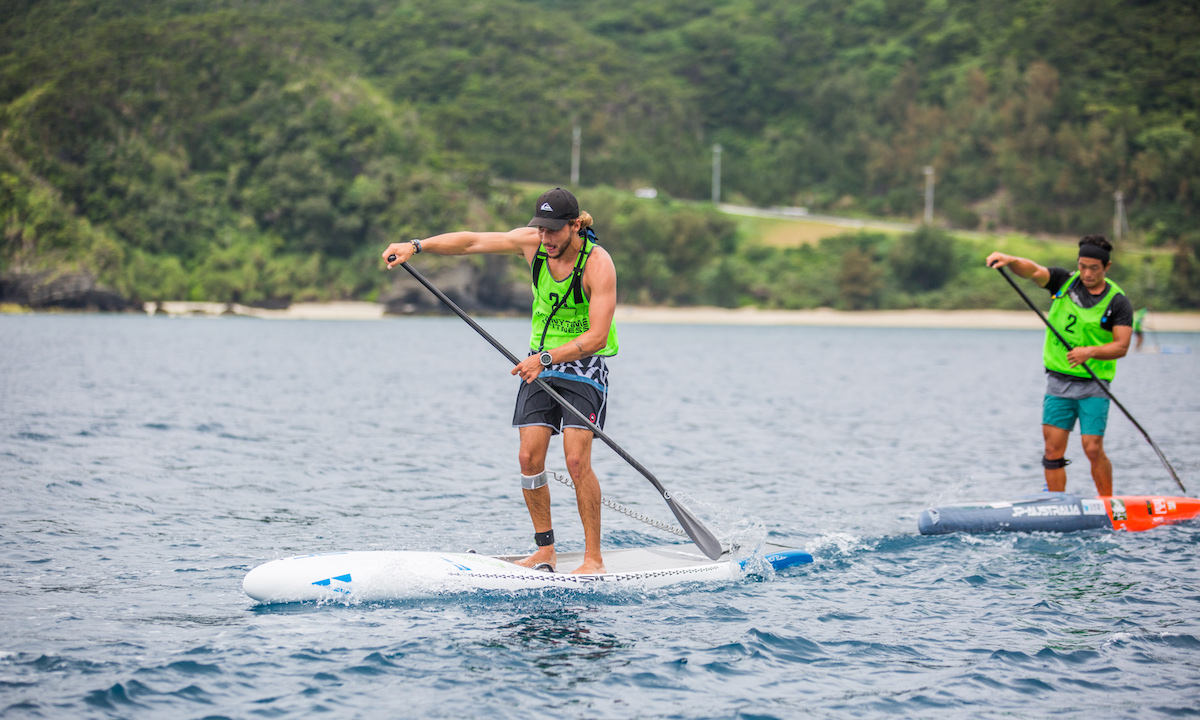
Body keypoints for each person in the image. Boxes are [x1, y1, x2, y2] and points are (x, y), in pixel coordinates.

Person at [382, 188, 618, 574]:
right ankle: (545, 550)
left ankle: (593, 559)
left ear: (575, 226)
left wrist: (545, 359)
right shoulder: (534, 243)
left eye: (554, 232)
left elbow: (596, 336)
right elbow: (471, 242)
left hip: (583, 365)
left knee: (576, 461)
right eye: (541, 230)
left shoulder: (599, 264)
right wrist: (416, 245)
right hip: (538, 363)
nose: (545, 239)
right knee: (528, 457)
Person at [986, 236, 1133, 496]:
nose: (1086, 273)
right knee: (1053, 450)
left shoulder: (1117, 302)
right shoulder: (1062, 283)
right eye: (1082, 266)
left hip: (1095, 385)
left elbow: (1121, 346)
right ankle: (1055, 504)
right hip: (1058, 383)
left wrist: (1091, 352)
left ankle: (1109, 503)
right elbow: (1032, 271)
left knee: (1092, 447)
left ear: (1107, 267)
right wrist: (1010, 261)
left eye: (1094, 268)